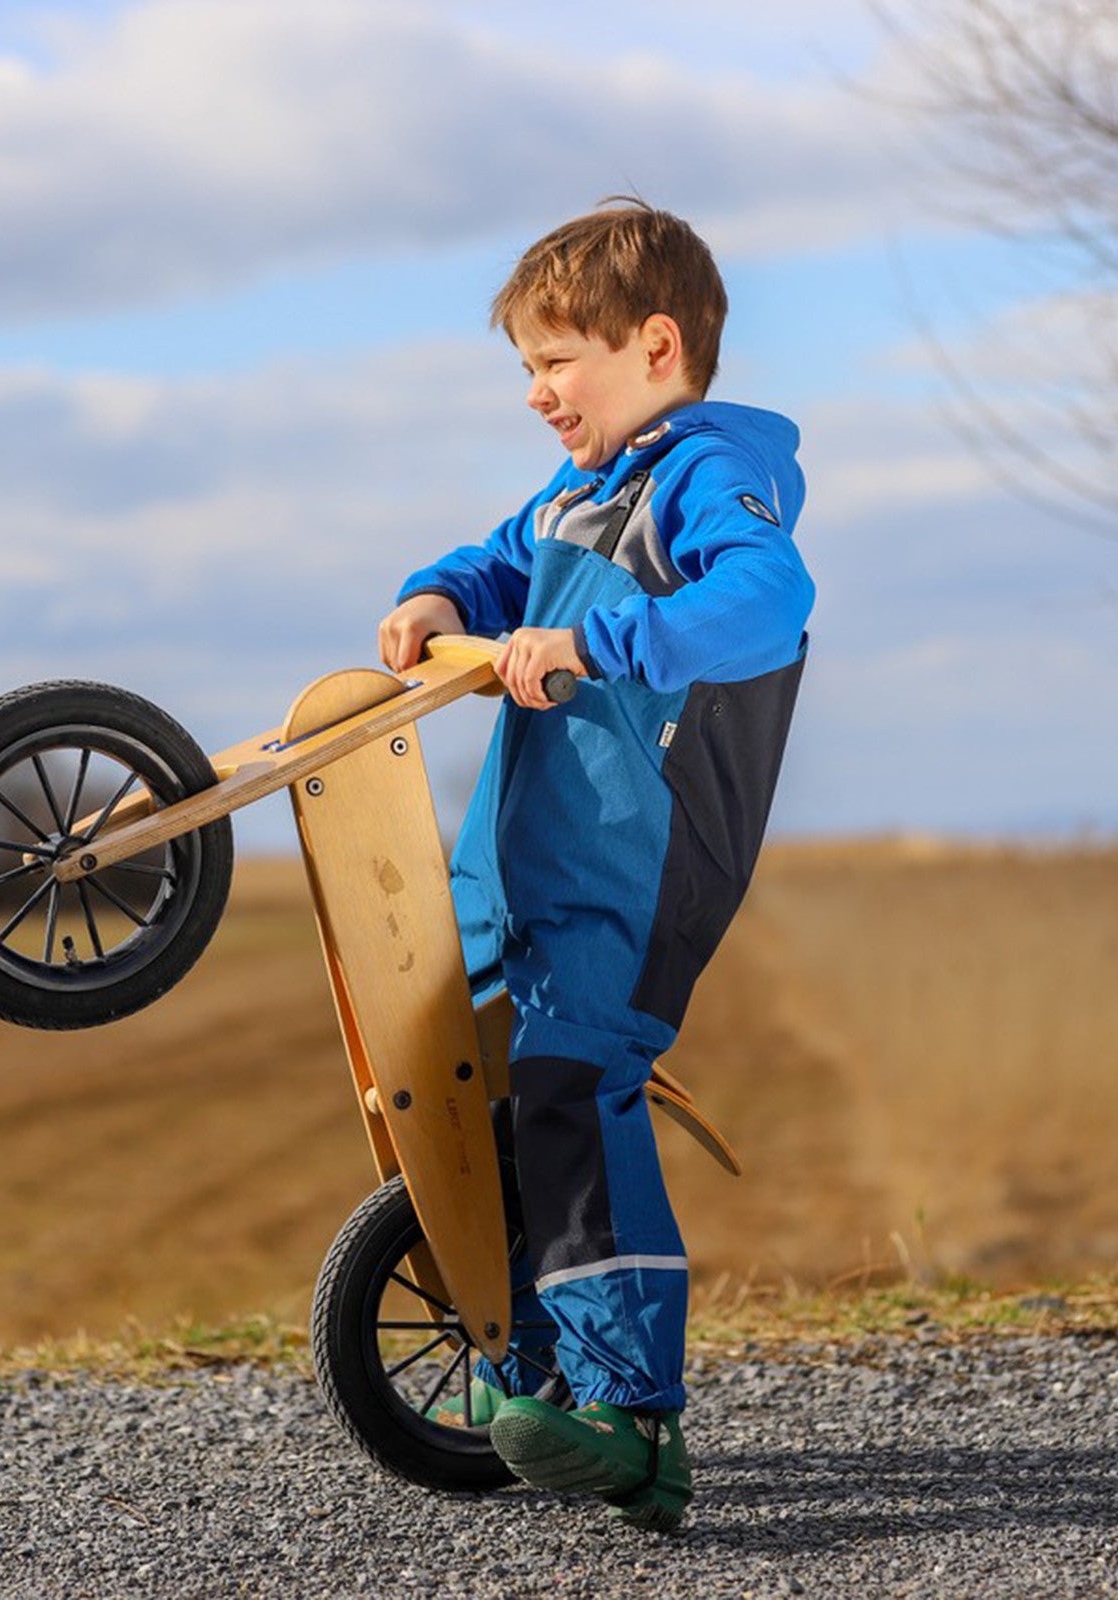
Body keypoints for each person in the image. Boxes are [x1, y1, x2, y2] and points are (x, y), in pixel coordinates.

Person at [377, 198, 814, 1532]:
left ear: (657, 347)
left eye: (555, 360)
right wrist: (441, 601)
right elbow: (492, 561)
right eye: (525, 366)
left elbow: (767, 597)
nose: (536, 393)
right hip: (527, 860)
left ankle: (635, 1420)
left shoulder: (699, 482)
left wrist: (604, 644)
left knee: (573, 1081)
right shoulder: (575, 499)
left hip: (632, 866)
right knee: (475, 1093)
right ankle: (535, 1376)